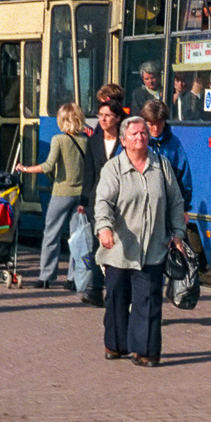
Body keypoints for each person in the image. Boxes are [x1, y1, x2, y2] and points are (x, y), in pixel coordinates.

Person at [94, 115, 186, 367]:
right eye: (134, 134)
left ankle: (145, 351)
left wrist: (177, 232)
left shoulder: (161, 166)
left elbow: (176, 201)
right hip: (119, 249)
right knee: (117, 298)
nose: (140, 137)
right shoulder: (113, 169)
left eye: (144, 133)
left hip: (153, 247)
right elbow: (103, 202)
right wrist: (103, 228)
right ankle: (116, 344)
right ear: (123, 141)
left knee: (149, 300)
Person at [16, 102, 89, 290]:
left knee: (51, 235)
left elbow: (48, 166)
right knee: (76, 238)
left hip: (61, 194)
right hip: (80, 196)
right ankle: (72, 280)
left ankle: (46, 277)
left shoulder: (59, 140)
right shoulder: (86, 141)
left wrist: (25, 169)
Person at [79, 84, 125, 307]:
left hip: (122, 201)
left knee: (119, 246)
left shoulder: (126, 142)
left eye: (107, 116)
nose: (102, 120)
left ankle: (116, 291)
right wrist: (83, 201)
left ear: (118, 118)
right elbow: (89, 173)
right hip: (98, 201)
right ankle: (95, 289)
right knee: (98, 246)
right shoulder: (94, 141)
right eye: (100, 116)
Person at [140, 99, 193, 214]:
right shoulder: (135, 140)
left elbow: (183, 177)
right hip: (139, 206)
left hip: (166, 208)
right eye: (151, 124)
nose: (155, 129)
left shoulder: (174, 144)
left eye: (159, 124)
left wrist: (184, 207)